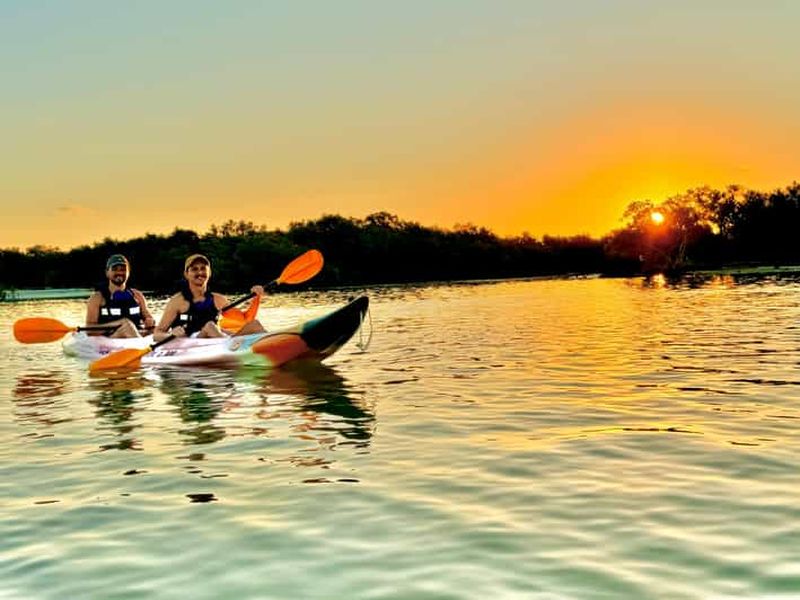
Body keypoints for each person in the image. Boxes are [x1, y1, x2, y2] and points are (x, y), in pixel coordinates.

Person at [154, 254, 266, 341]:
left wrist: (256, 299)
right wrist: (171, 334)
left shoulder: (218, 299)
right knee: (210, 326)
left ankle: (273, 346)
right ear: (186, 274)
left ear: (209, 272)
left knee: (255, 325)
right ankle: (232, 346)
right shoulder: (177, 301)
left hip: (215, 339)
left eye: (203, 268)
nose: (200, 272)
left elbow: (246, 319)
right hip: (189, 342)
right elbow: (157, 334)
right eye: (194, 269)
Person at [86, 254, 155, 338]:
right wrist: (121, 324)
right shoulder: (97, 298)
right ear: (107, 272)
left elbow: (148, 316)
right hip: (110, 341)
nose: (119, 273)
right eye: (115, 269)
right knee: (126, 326)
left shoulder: (137, 295)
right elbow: (89, 330)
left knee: (159, 329)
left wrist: (150, 321)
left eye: (123, 269)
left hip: (136, 337)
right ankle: (143, 347)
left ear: (128, 273)